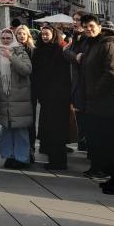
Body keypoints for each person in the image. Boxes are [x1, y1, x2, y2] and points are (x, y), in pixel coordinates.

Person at [78, 15, 114, 194]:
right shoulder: (92, 44)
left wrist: (94, 91)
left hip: (112, 105)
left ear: (99, 26)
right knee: (105, 143)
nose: (88, 29)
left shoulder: (108, 44)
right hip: (99, 105)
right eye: (85, 27)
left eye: (91, 26)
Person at [32, 23, 72, 170]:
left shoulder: (59, 49)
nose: (44, 36)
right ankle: (52, 157)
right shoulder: (40, 49)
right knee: (48, 128)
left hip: (58, 96)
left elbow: (62, 75)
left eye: (47, 34)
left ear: (54, 34)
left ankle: (59, 161)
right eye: (42, 34)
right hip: (46, 97)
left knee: (57, 129)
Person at [0, 28, 33, 169]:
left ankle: (22, 158)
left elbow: (27, 69)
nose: (6, 40)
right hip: (3, 96)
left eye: (8, 38)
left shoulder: (19, 50)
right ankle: (9, 156)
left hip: (19, 97)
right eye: (3, 38)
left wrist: (11, 57)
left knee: (20, 129)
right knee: (6, 128)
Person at [65, 12, 89, 151]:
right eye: (73, 19)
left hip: (84, 85)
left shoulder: (86, 39)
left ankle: (89, 148)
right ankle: (83, 144)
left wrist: (67, 52)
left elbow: (80, 59)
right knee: (79, 118)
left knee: (85, 119)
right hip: (75, 84)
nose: (75, 22)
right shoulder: (75, 37)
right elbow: (74, 56)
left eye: (78, 20)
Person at [15, 24, 36, 162]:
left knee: (30, 121)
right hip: (16, 91)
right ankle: (19, 150)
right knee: (18, 122)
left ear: (28, 35)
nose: (21, 36)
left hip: (30, 90)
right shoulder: (12, 49)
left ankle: (30, 149)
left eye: (24, 34)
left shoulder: (33, 50)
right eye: (19, 34)